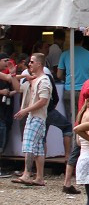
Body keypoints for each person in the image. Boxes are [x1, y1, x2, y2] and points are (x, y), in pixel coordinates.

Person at [12, 53, 53, 186]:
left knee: (29, 144)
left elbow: (43, 101)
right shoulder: (33, 79)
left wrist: (25, 110)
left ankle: (27, 174)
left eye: (32, 62)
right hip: (35, 116)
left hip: (37, 116)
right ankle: (39, 177)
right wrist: (15, 75)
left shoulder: (44, 80)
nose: (29, 64)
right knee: (38, 147)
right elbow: (18, 88)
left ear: (39, 64)